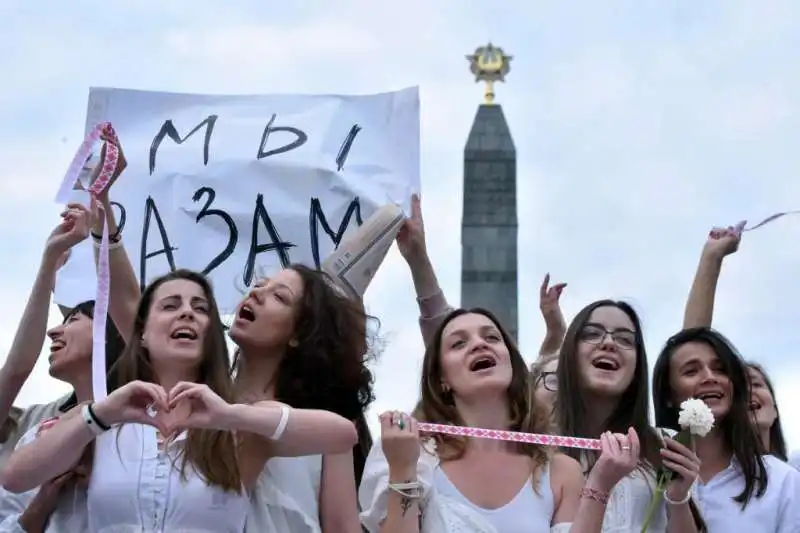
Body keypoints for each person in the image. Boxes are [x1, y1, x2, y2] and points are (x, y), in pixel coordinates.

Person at [89, 134, 378, 533]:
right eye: (259, 284)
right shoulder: (202, 397)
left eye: (279, 295)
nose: (256, 292)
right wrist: (101, 204)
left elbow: (342, 528)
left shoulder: (320, 424)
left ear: (300, 333)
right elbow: (130, 307)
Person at [0, 269, 358, 533]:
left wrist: (230, 415)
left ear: (211, 336)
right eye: (171, 306)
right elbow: (14, 478)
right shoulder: (100, 417)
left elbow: (343, 435)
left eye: (201, 309)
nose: (187, 313)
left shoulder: (239, 424)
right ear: (139, 334)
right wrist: (98, 415)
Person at [359, 307, 641, 533]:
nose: (479, 344)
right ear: (442, 379)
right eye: (459, 343)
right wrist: (402, 470)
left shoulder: (561, 471)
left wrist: (600, 486)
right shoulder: (409, 452)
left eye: (492, 337)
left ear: (511, 363)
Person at [554, 300, 702, 532]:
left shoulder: (665, 445)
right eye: (592, 334)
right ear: (569, 355)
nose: (609, 343)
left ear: (637, 365)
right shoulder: (540, 447)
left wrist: (678, 497)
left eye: (625, 339)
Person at [652, 327, 800, 531]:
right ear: (668, 395)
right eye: (691, 371)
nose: (710, 377)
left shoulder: (782, 480)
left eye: (721, 369)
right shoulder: (646, 474)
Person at [746, 363, 788, 461]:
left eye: (756, 384)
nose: (748, 391)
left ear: (775, 410)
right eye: (738, 389)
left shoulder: (793, 473)